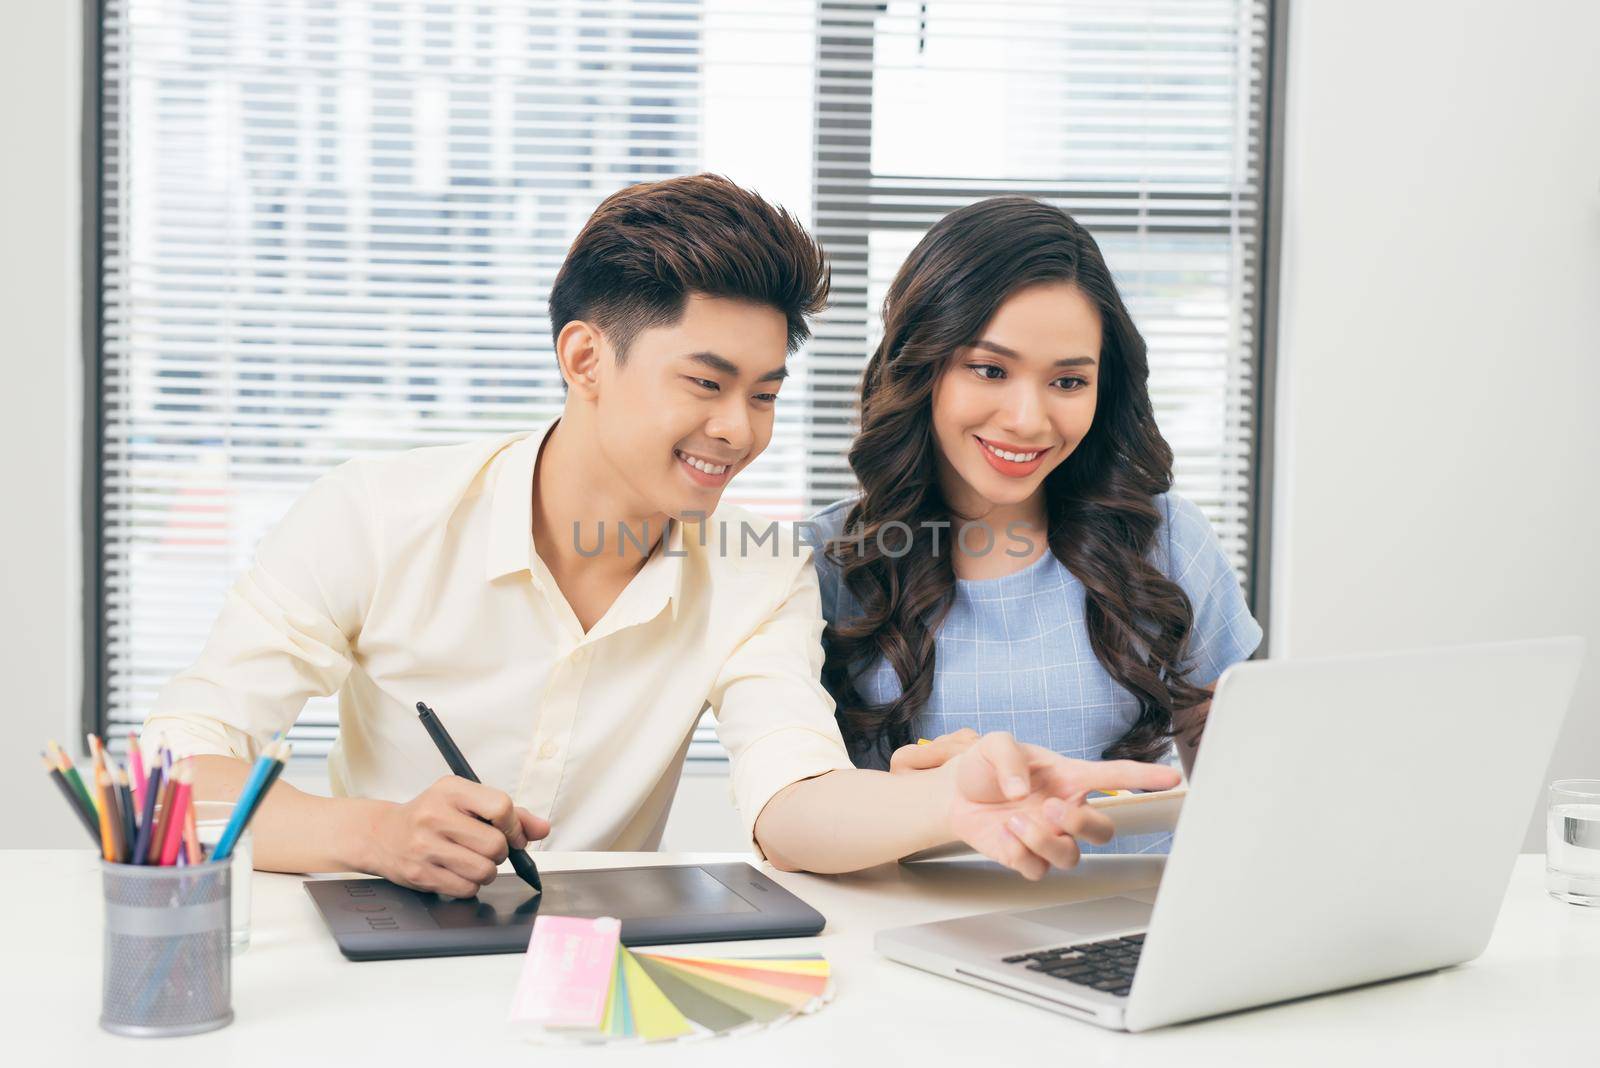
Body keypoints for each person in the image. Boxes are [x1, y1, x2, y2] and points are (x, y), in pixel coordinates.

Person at [146, 175, 1176, 896]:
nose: (738, 432)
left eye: (764, 394)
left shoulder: (758, 572)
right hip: (366, 955)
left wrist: (948, 806)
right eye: (705, 383)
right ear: (586, 358)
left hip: (594, 972)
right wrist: (372, 833)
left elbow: (794, 802)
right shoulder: (375, 517)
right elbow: (172, 775)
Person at [808, 196, 1261, 853]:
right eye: (990, 370)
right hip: (906, 936)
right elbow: (793, 817)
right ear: (922, 365)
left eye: (1068, 382)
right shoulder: (825, 563)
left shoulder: (1168, 540)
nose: (1028, 419)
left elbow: (1246, 789)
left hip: (1130, 931)